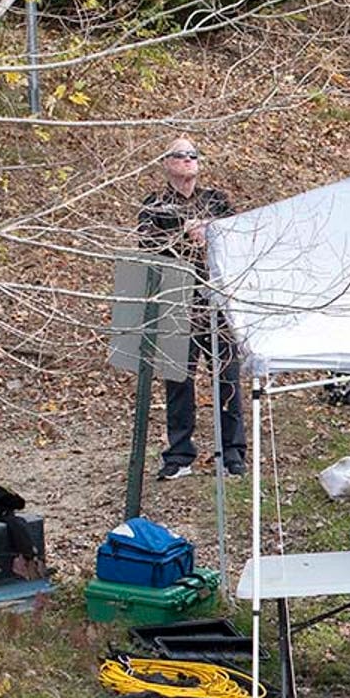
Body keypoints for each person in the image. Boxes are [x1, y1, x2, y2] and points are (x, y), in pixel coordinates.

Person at [137, 136, 243, 479]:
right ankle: (180, 455)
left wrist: (210, 233)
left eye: (192, 155)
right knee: (178, 378)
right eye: (180, 155)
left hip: (215, 297)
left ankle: (232, 453)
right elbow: (147, 247)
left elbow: (237, 240)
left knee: (226, 375)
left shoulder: (216, 201)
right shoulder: (155, 205)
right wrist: (183, 236)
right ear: (167, 162)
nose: (187, 160)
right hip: (176, 301)